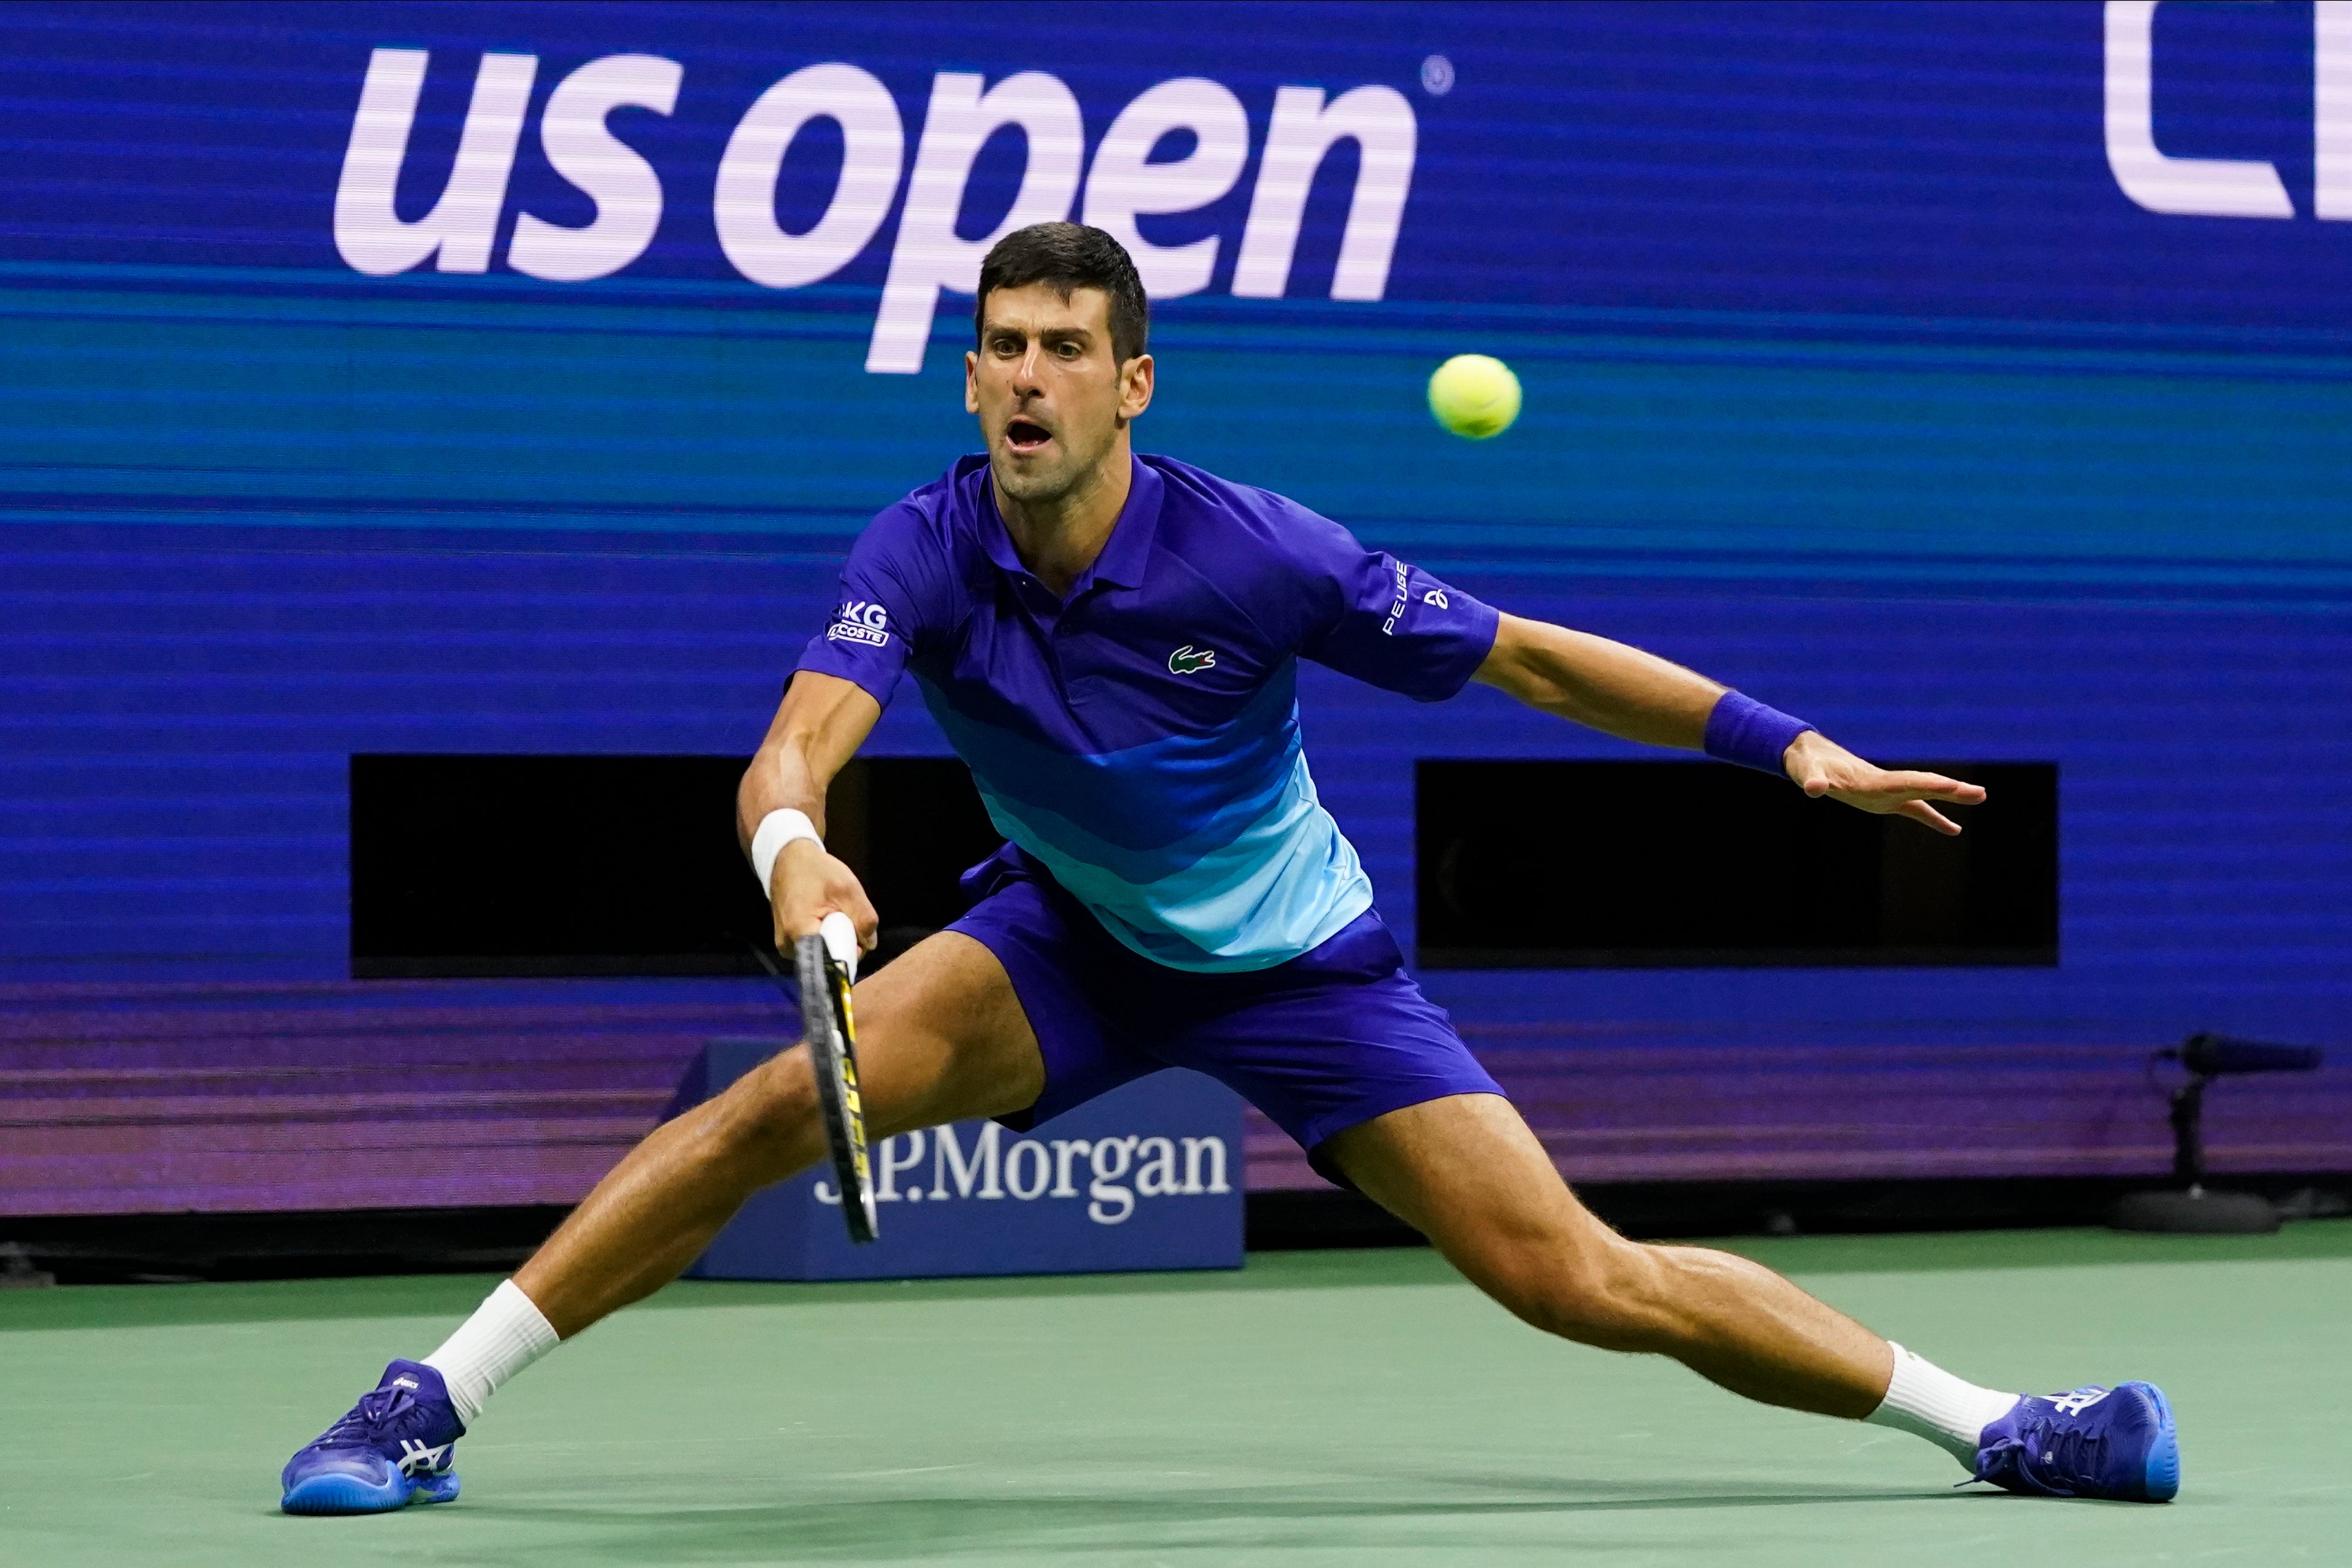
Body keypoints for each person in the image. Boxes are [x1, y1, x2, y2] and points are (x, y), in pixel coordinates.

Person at [279, 223, 2177, 1515]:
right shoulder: (921, 546)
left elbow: (1521, 653)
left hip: (1307, 973)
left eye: (1063, 354)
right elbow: (799, 742)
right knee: (774, 1108)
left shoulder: (1258, 554)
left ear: (1132, 385)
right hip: (1072, 940)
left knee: (1573, 1276)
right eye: (1000, 351)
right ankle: (426, 1399)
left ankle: (2013, 1428)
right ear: (970, 384)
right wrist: (796, 856)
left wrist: (1790, 748)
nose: (1026, 381)